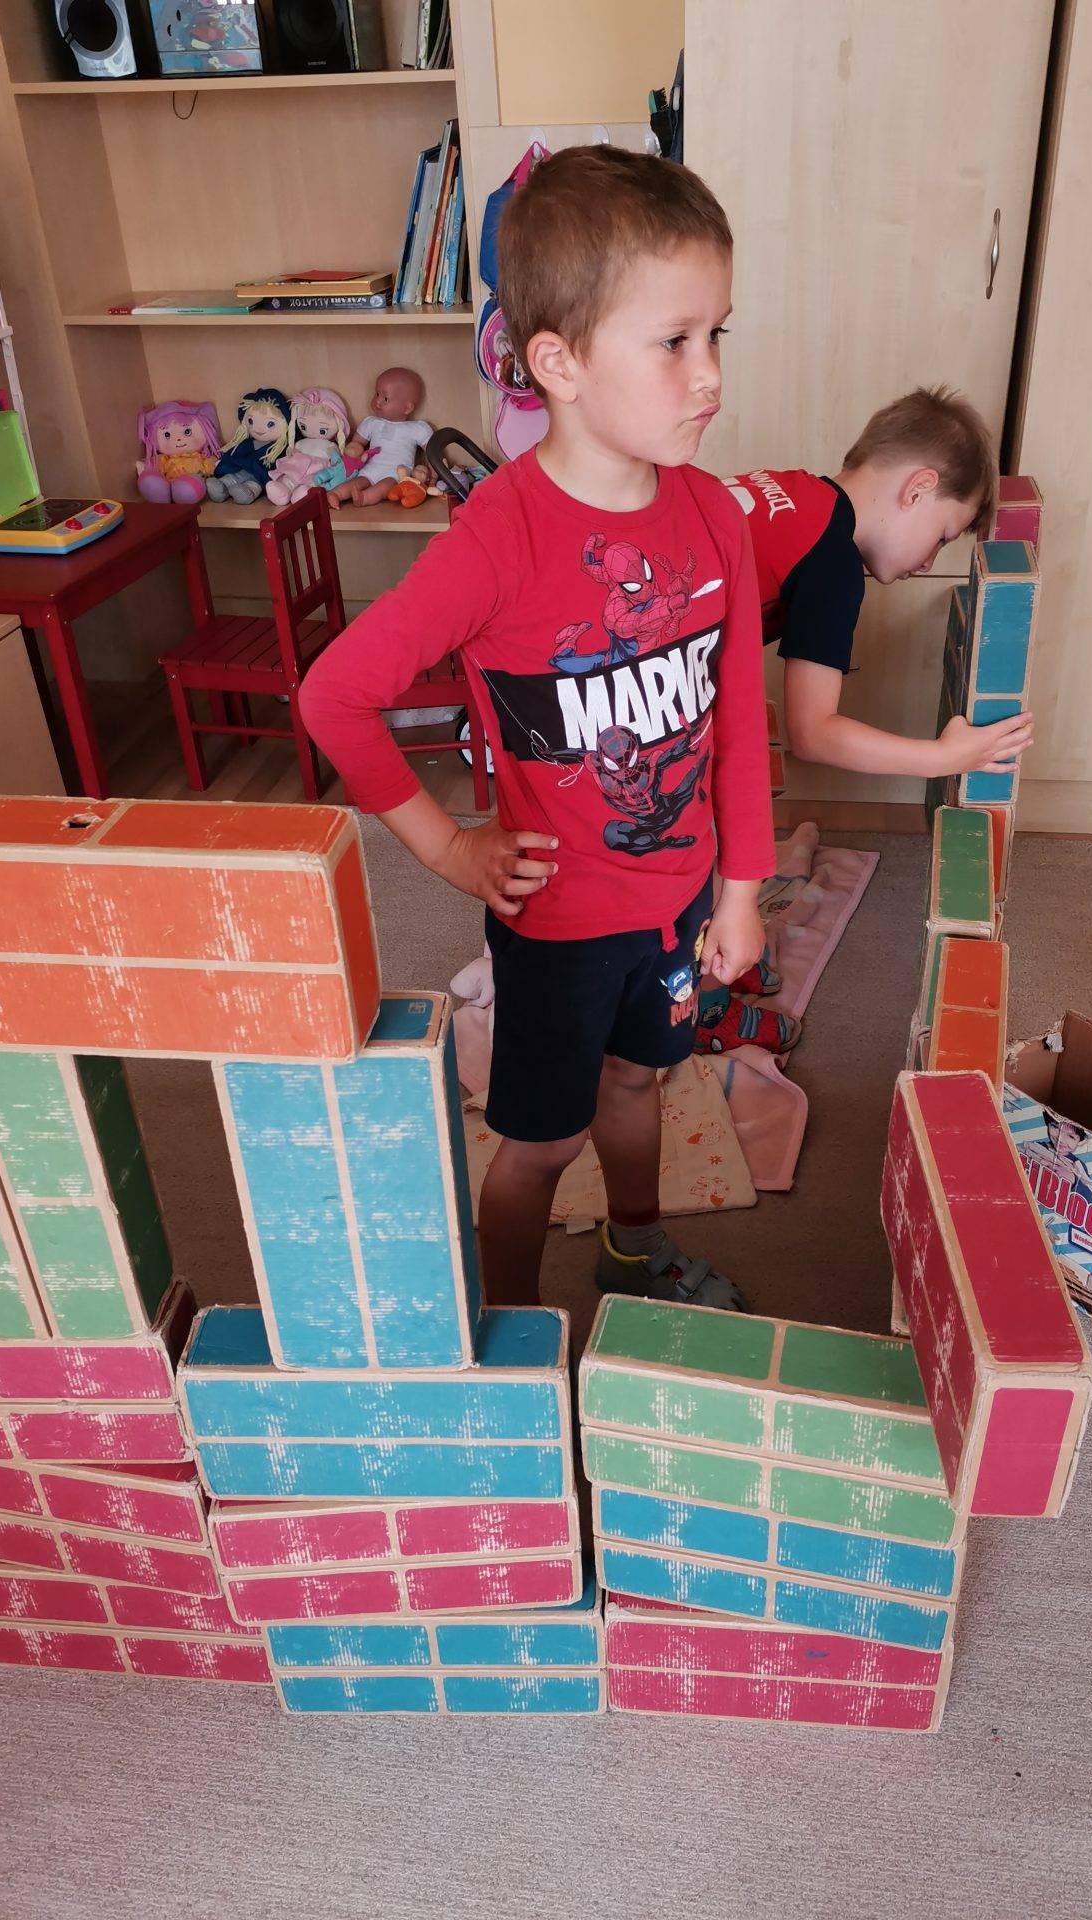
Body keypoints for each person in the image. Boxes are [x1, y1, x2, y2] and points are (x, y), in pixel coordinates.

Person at [301, 145, 775, 1313]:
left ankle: (636, 1251)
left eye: (718, 335)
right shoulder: (497, 538)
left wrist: (741, 892)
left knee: (639, 1088)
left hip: (676, 902)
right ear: (558, 362)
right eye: (675, 342)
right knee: (541, 1146)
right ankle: (505, 1340)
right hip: (558, 927)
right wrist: (445, 847)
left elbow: (740, 723)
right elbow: (334, 697)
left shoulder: (716, 516)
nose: (710, 375)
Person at [730, 387, 1034, 780]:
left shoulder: (787, 486)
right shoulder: (831, 562)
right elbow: (813, 734)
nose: (928, 562)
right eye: (942, 537)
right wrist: (943, 758)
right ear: (917, 490)